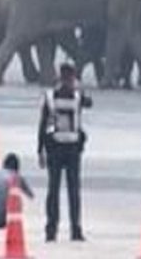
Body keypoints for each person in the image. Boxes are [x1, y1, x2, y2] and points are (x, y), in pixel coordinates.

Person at [37, 62, 91, 242]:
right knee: (73, 190)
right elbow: (89, 103)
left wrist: (40, 150)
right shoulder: (77, 95)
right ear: (72, 77)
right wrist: (79, 88)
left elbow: (42, 124)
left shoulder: (50, 96)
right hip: (73, 148)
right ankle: (75, 230)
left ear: (60, 76)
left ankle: (51, 230)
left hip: (54, 148)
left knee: (53, 190)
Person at [0, 153, 34, 242]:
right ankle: (12, 234)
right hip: (4, 220)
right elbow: (31, 195)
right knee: (15, 198)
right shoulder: (17, 177)